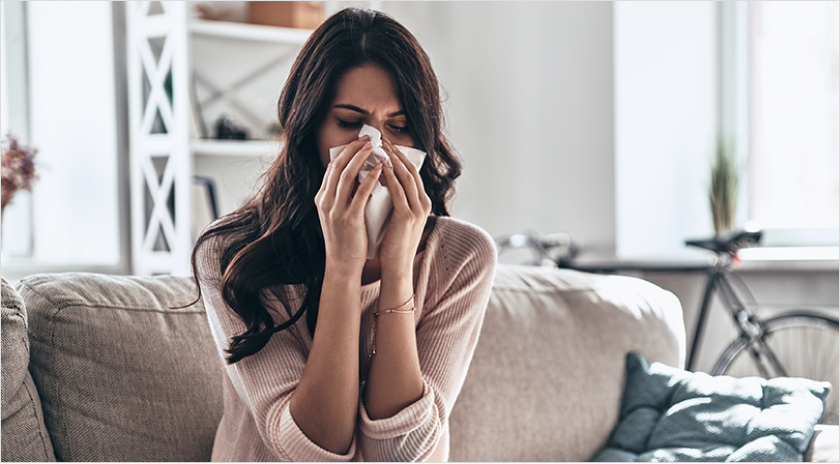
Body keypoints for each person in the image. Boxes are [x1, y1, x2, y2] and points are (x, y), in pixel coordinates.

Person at [192, 7, 497, 462]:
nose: (377, 150)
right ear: (309, 128)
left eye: (399, 127)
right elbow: (314, 450)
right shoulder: (231, 252)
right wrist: (344, 265)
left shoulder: (463, 256)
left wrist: (397, 269)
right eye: (351, 123)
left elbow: (400, 453)